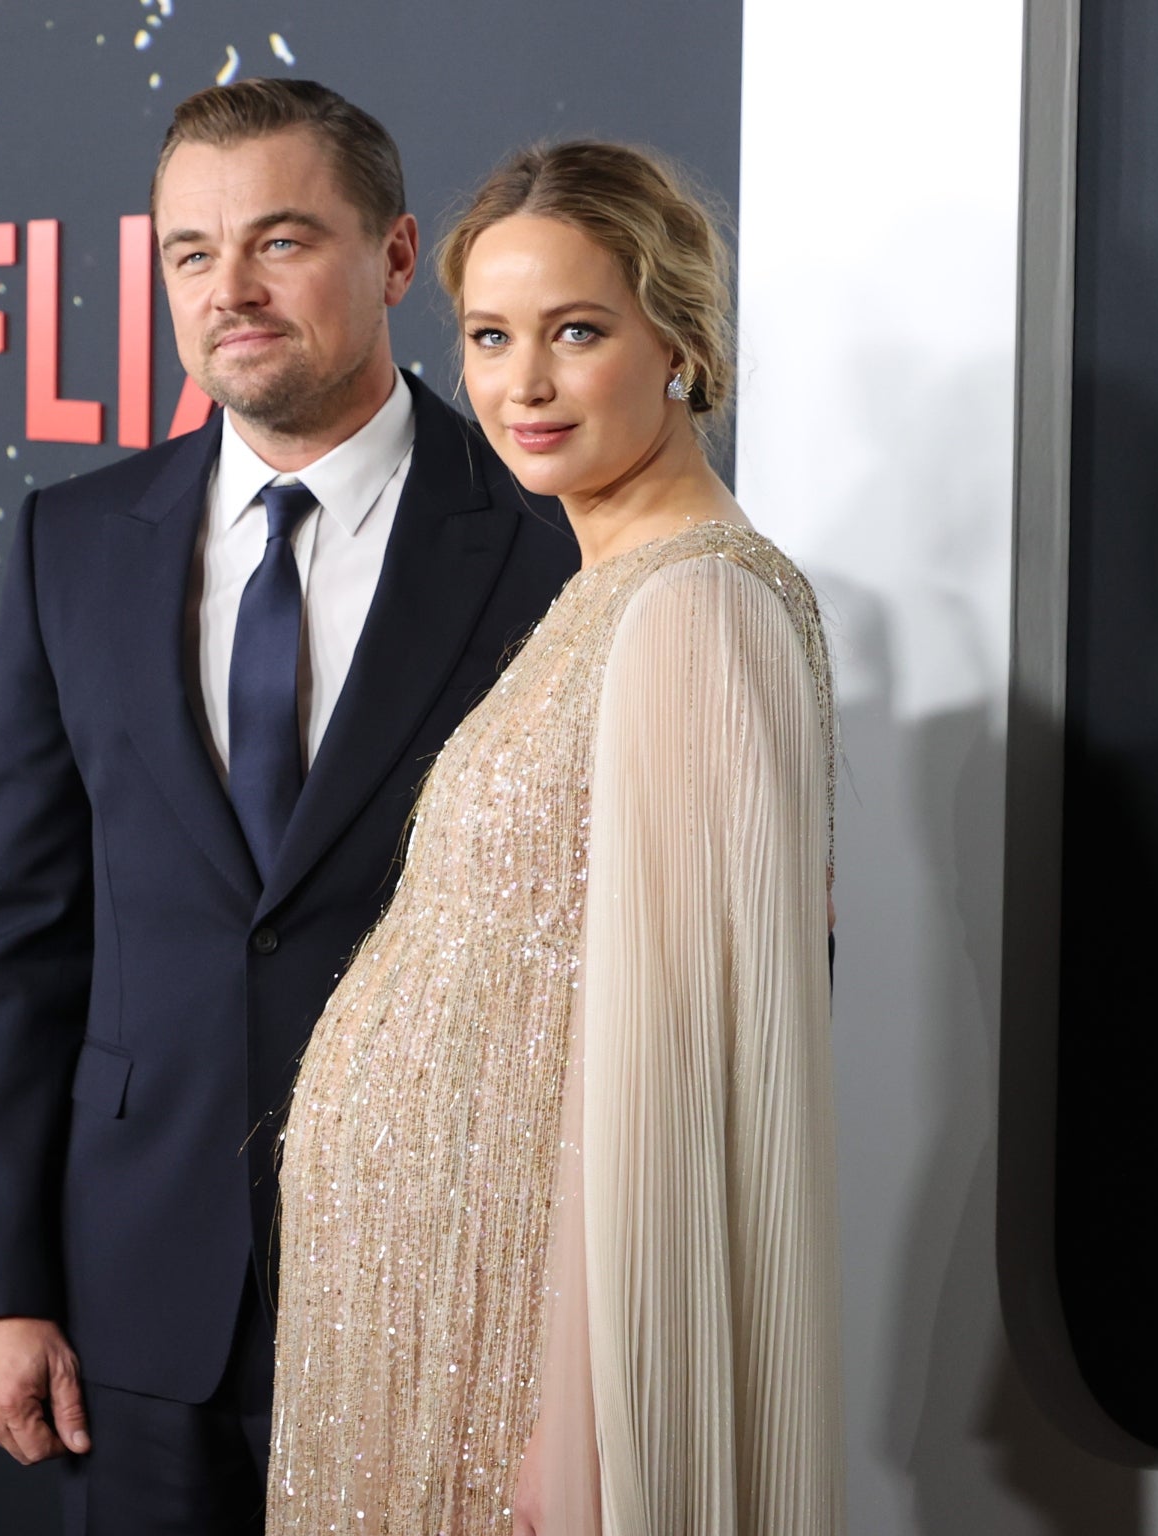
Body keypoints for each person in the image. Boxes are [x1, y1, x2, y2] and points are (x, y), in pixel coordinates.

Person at [0, 80, 577, 1534]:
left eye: (283, 241)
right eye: (188, 252)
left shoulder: (547, 546)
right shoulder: (73, 543)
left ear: (401, 260)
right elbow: (21, 941)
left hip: (446, 1303)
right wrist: (4, 1287)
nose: (229, 289)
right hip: (134, 1309)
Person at [268, 141, 844, 1533]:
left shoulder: (693, 613)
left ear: (682, 346)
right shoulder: (608, 596)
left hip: (516, 1390)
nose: (522, 385)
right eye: (487, 337)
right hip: (432, 1347)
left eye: (576, 333)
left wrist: (580, 1443)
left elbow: (671, 1074)